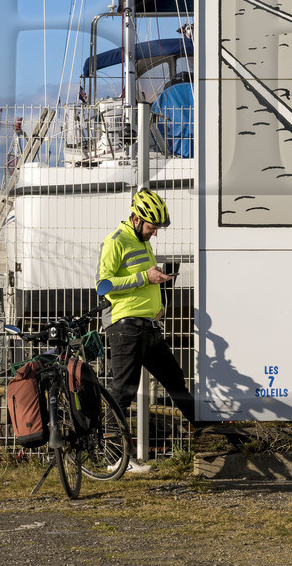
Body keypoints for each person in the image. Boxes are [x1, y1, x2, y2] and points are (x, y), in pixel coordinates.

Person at [95, 188, 197, 472]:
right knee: (123, 391)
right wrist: (145, 277)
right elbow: (103, 284)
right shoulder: (116, 241)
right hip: (125, 328)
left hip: (149, 327)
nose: (155, 232)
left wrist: (158, 302)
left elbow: (145, 281)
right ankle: (115, 459)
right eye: (152, 226)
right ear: (137, 219)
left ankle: (209, 433)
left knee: (175, 381)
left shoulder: (142, 242)